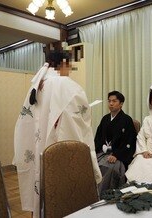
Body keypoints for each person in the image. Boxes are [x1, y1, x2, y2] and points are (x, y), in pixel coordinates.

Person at [13, 59, 102, 218]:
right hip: (58, 144)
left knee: (39, 186)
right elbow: (77, 117)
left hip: (37, 144)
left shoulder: (38, 83)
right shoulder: (66, 84)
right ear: (63, 64)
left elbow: (25, 122)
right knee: (64, 188)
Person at [95, 91, 137, 195]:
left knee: (108, 168)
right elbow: (98, 138)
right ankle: (92, 194)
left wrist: (116, 155)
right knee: (92, 165)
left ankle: (105, 195)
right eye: (109, 101)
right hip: (103, 153)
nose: (111, 103)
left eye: (114, 101)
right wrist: (99, 149)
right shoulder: (105, 119)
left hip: (118, 156)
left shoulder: (127, 120)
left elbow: (130, 142)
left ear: (121, 103)